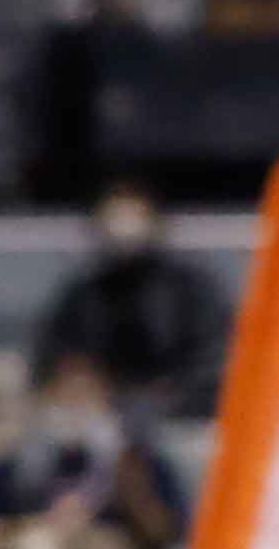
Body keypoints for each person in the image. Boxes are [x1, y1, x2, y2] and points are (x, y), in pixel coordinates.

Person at [36, 177, 231, 415]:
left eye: (134, 215)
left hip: (183, 417)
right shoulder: (83, 292)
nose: (124, 227)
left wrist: (173, 396)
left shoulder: (190, 289)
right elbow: (56, 354)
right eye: (115, 215)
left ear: (155, 220)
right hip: (103, 419)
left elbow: (215, 358)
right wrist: (75, 380)